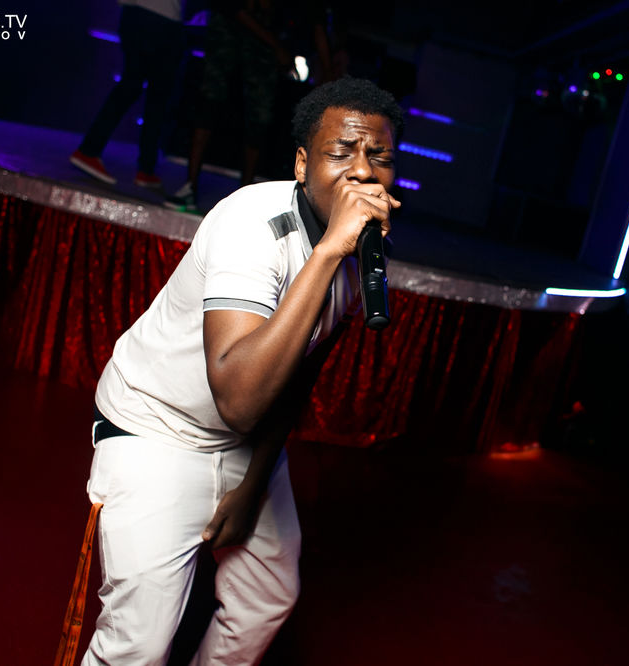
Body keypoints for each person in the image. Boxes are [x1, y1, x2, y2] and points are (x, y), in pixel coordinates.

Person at [82, 76, 404, 665]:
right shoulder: (251, 224)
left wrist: (253, 483)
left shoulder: (364, 253)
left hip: (244, 441)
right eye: (340, 153)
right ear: (302, 164)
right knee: (140, 642)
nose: (362, 171)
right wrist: (329, 251)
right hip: (156, 427)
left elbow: (299, 373)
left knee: (266, 598)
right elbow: (238, 398)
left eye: (379, 157)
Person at [164, 0, 293, 212]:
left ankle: (244, 195)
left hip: (261, 40)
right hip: (228, 26)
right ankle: (190, 186)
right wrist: (277, 45)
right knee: (208, 104)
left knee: (258, 116)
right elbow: (233, 8)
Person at [70, 0, 185, 188]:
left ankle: (94, 150)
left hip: (135, 15)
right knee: (155, 97)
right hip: (161, 19)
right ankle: (96, 152)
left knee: (134, 86)